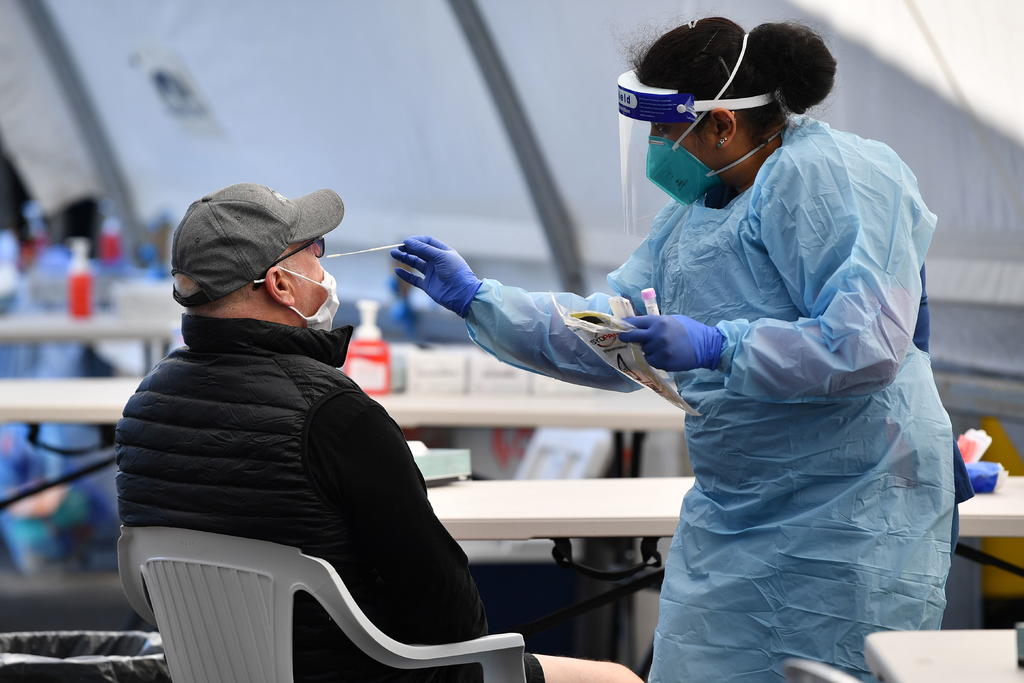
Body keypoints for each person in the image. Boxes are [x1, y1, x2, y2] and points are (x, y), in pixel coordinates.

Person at [391, 18, 965, 681]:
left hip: (853, 509)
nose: (657, 149)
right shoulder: (695, 213)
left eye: (665, 131)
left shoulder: (832, 177)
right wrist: (481, 299)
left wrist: (721, 345)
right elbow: (611, 334)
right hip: (738, 506)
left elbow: (866, 345)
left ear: (720, 124)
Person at [115, 183, 640, 683]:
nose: (323, 264)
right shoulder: (334, 414)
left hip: (211, 670)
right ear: (280, 284)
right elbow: (451, 617)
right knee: (615, 677)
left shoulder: (145, 406)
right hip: (369, 673)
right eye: (314, 251)